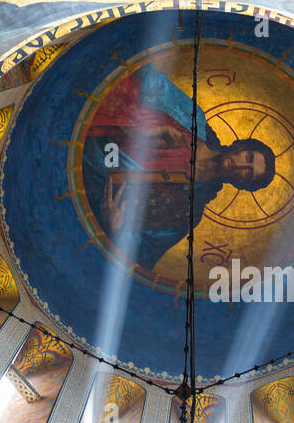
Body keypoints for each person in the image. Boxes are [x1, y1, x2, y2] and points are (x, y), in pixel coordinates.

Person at [81, 62, 277, 270]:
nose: (240, 166)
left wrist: (117, 229)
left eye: (248, 174)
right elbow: (150, 81)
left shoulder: (188, 212)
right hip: (92, 126)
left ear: (240, 184)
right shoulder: (193, 120)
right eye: (248, 157)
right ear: (240, 145)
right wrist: (143, 127)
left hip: (86, 189)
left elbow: (144, 254)